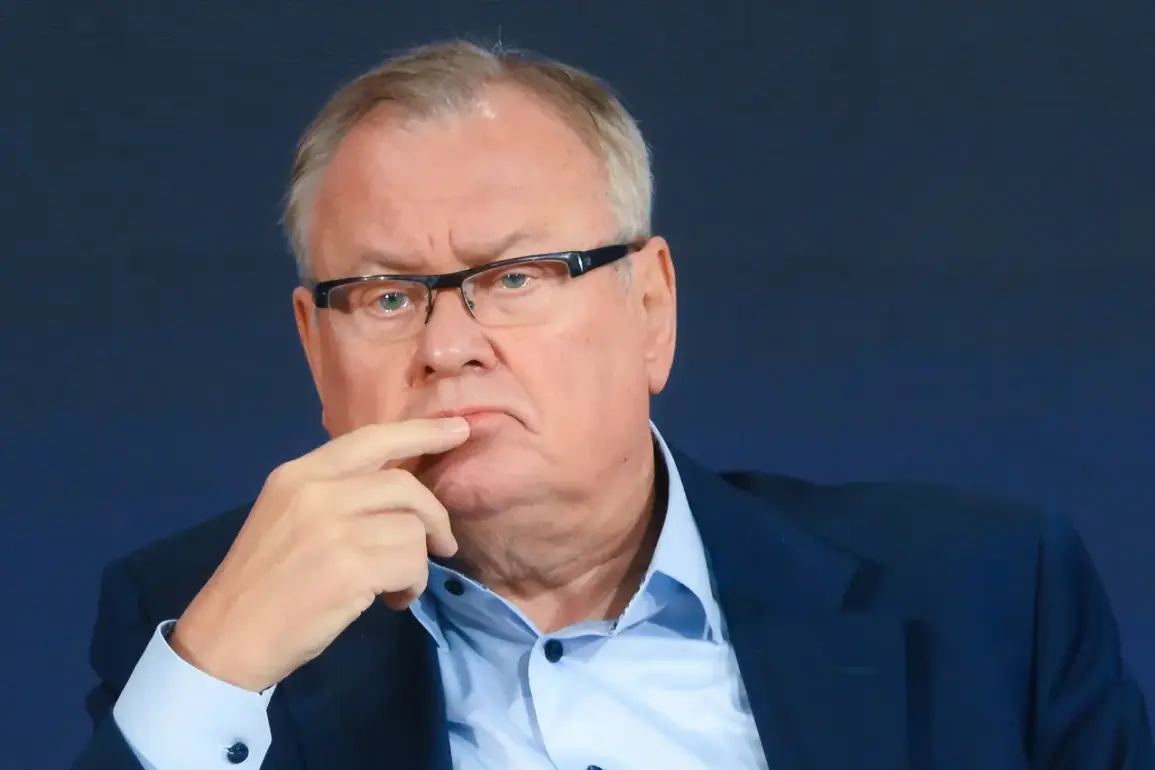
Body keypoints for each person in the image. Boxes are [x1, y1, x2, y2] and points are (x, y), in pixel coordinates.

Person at [73, 40, 1151, 770]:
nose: (447, 346)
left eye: (515, 276)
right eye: (387, 296)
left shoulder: (988, 596)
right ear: (316, 350)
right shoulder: (198, 628)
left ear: (650, 308)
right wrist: (213, 673)